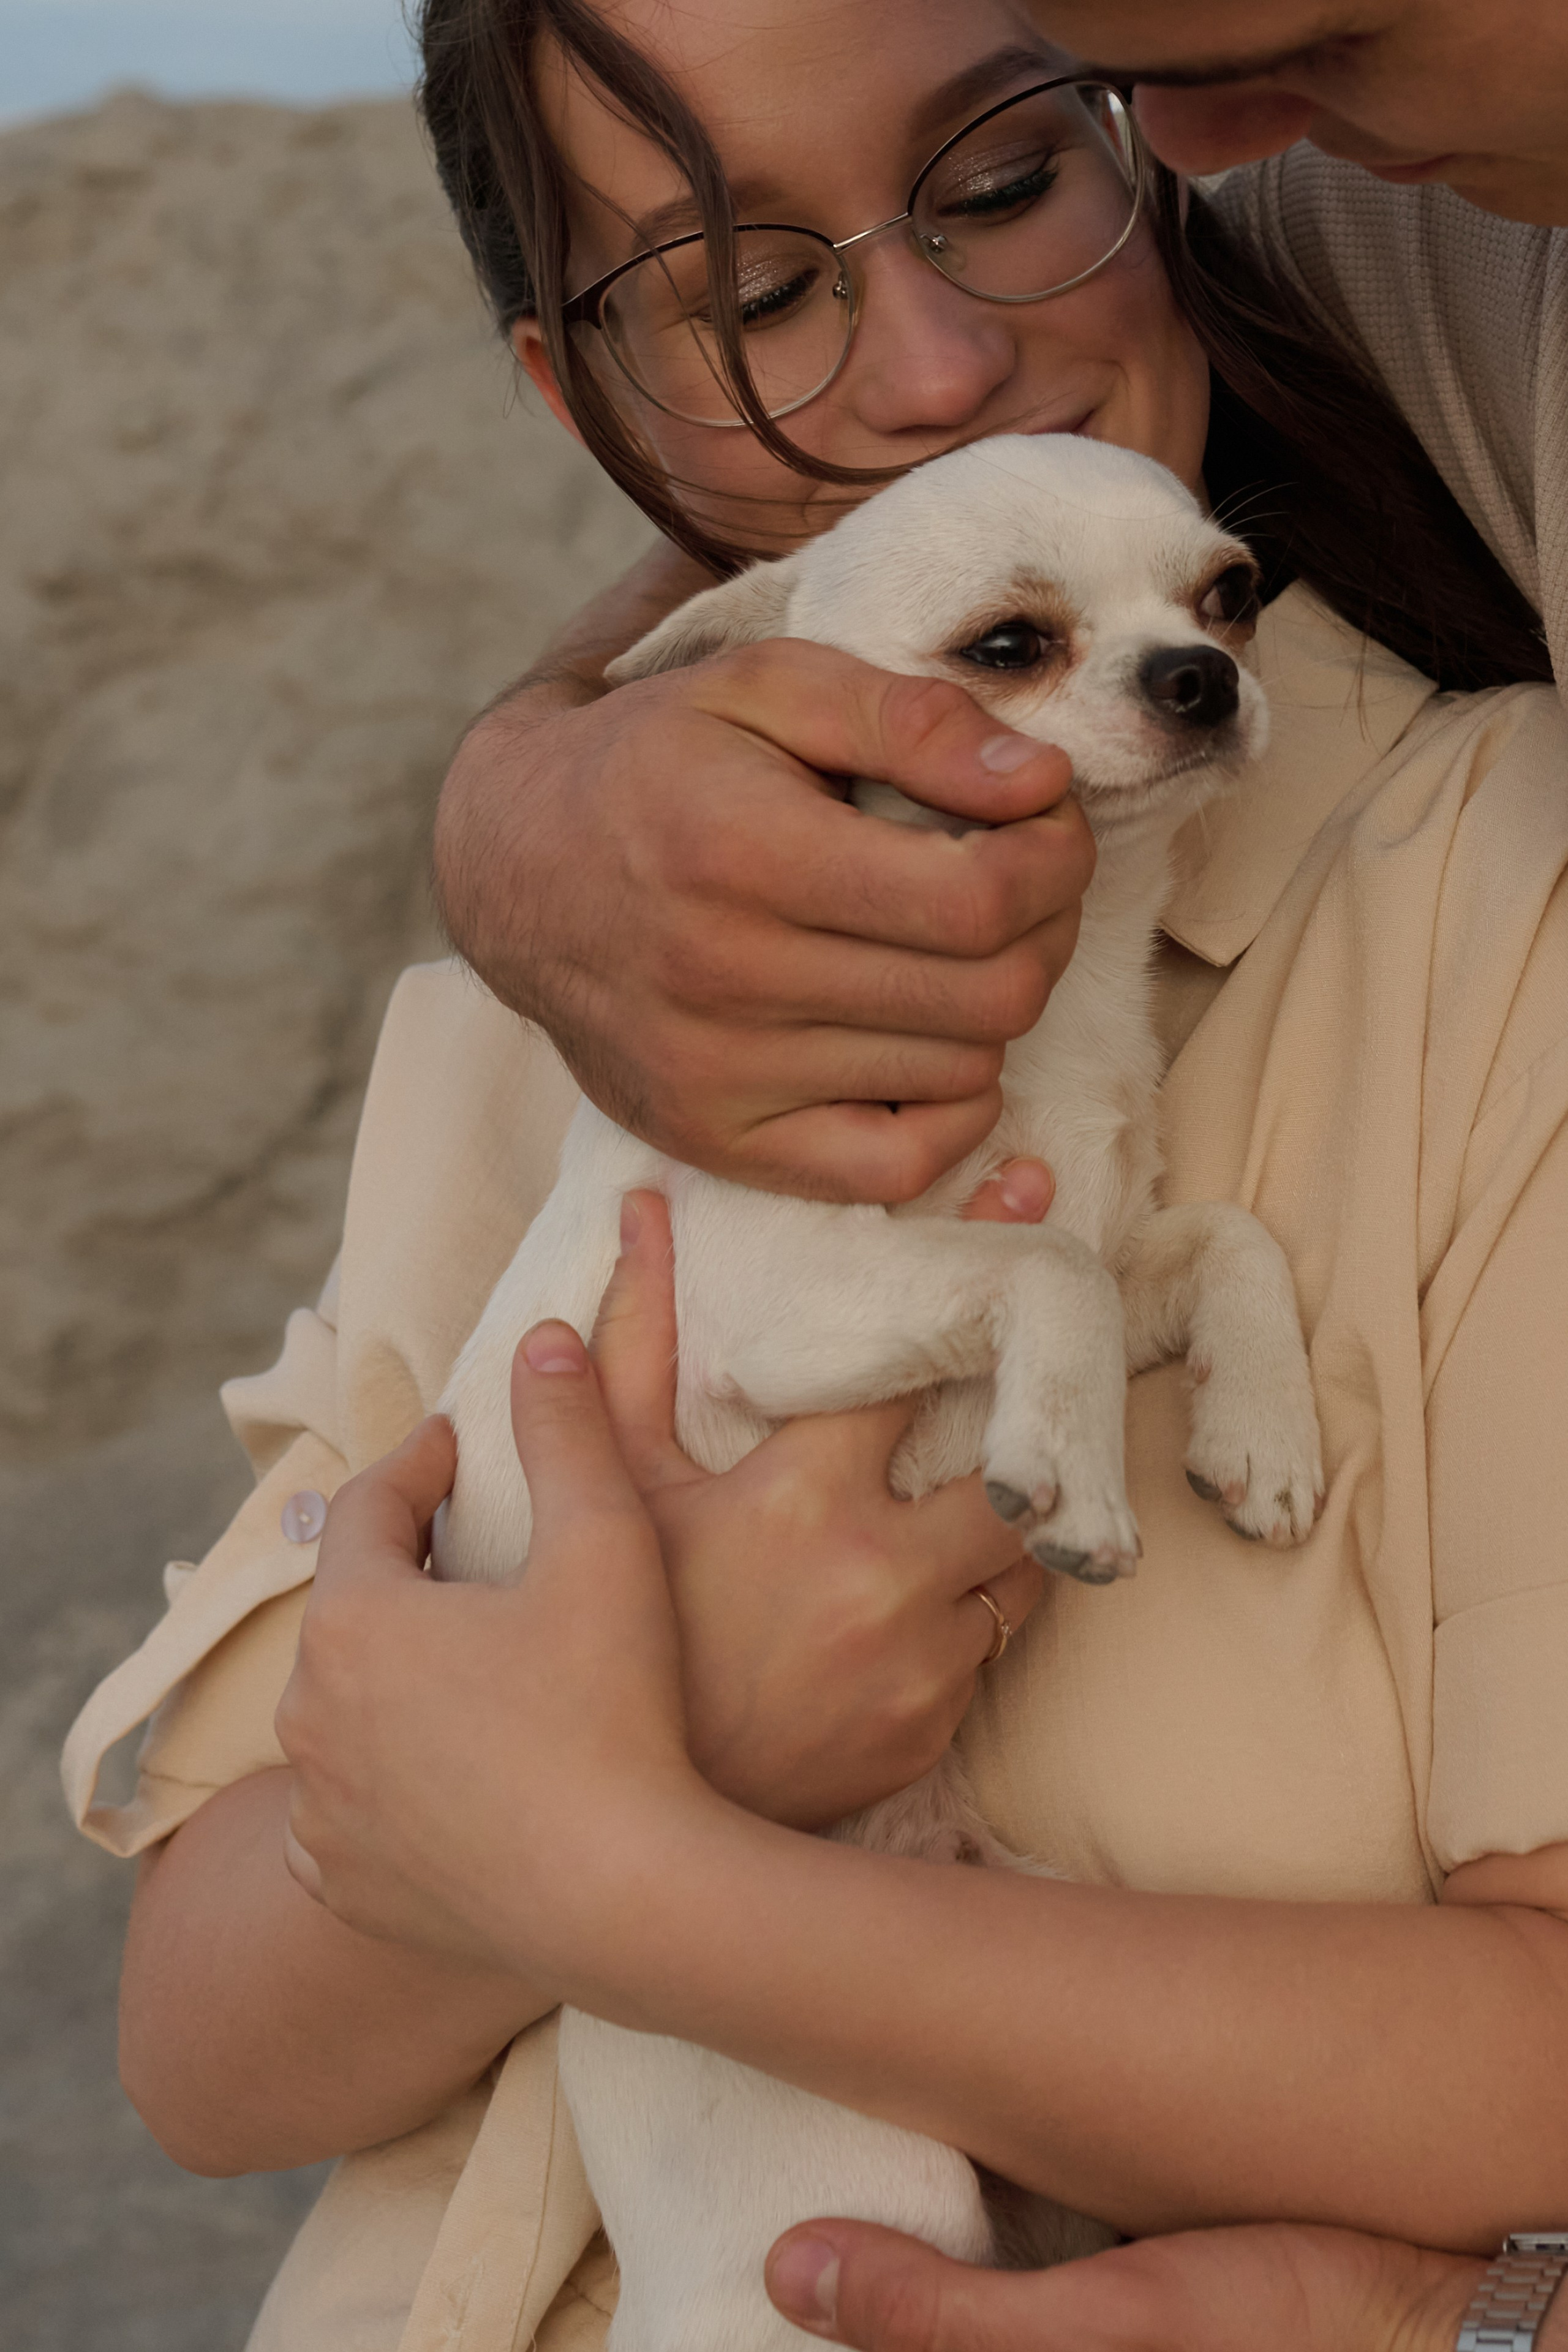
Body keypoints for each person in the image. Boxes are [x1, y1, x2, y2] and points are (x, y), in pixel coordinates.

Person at [62, 2, 1568, 2347]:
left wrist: (628, 1850)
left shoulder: (1494, 892)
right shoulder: (525, 1020)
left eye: (1010, 182)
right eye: (757, 297)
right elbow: (202, 2052)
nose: (943, 363)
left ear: (1170, 146)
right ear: (586, 404)